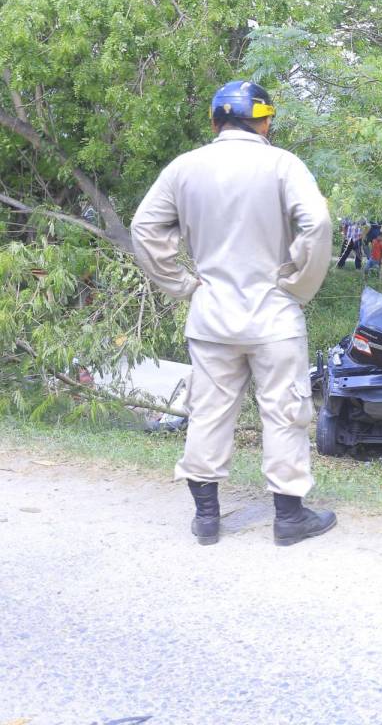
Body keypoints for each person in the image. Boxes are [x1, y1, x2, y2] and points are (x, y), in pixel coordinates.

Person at [131, 80, 336, 547]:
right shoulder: (283, 163)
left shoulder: (184, 168)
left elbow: (145, 227)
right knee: (285, 412)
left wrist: (181, 284)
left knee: (207, 414)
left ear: (215, 121)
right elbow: (317, 223)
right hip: (274, 316)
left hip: (211, 316)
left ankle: (206, 519)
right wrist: (299, 283)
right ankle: (289, 518)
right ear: (264, 121)